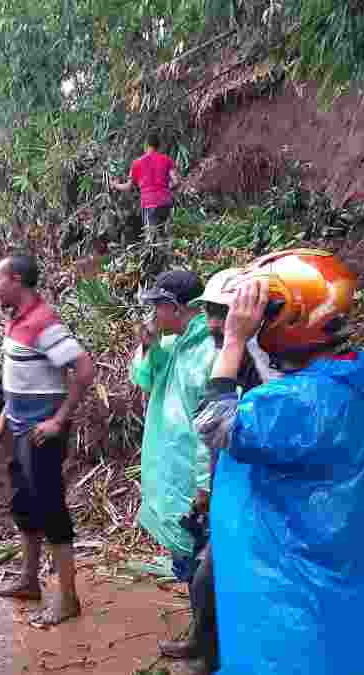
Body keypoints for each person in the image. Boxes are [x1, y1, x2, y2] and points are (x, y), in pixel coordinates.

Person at [194, 249, 364, 674]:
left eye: (267, 314)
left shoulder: (298, 403)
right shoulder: (342, 387)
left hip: (286, 598)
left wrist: (233, 340)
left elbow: (214, 422)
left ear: (290, 319)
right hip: (325, 584)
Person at [156, 268, 283, 673]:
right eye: (210, 311)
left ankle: (215, 657)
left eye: (224, 313)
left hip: (258, 497)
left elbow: (212, 425)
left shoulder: (262, 366)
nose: (215, 322)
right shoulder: (228, 358)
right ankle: (205, 650)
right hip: (227, 487)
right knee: (205, 580)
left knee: (220, 583)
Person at [0, 254, 95, 626]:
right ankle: (29, 580)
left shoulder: (42, 322)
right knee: (24, 504)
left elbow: (84, 368)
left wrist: (58, 420)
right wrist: (3, 419)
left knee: (51, 509)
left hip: (41, 434)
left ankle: (68, 599)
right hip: (19, 430)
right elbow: (16, 376)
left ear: (16, 280)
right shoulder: (14, 320)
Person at [129, 270, 218, 668]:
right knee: (189, 562)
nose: (152, 314)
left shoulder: (206, 351)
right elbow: (144, 381)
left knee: (206, 567)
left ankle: (210, 647)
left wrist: (204, 484)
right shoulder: (177, 342)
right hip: (172, 468)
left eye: (157, 307)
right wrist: (148, 348)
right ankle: (199, 637)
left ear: (177, 308)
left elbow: (208, 426)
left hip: (193, 474)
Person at [111, 132, 181, 241]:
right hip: (165, 202)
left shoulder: (136, 163)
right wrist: (165, 187)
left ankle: (154, 255)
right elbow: (176, 182)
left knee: (151, 239)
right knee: (165, 235)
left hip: (149, 203)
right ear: (158, 146)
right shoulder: (167, 160)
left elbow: (128, 187)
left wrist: (115, 185)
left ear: (146, 145)